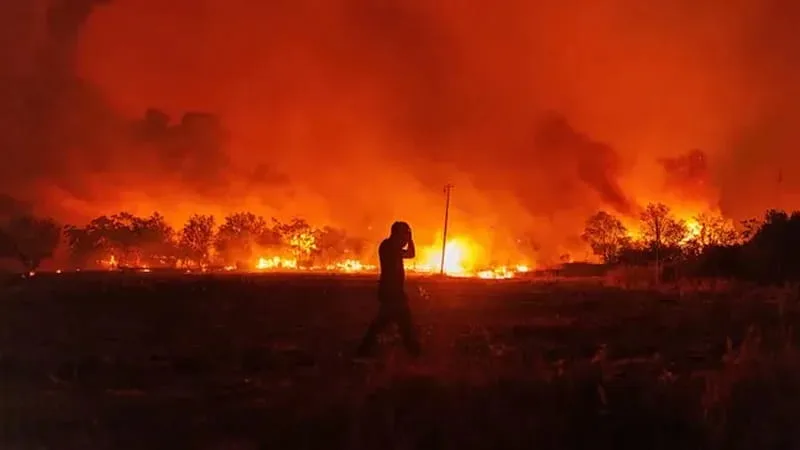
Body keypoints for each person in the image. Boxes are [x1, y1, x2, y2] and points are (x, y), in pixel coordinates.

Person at [356, 221, 421, 358]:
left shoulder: (393, 247)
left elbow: (411, 254)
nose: (405, 238)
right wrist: (408, 239)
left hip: (394, 292)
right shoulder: (388, 246)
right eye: (403, 234)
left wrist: (410, 239)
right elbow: (406, 252)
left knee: (388, 323)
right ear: (396, 234)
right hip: (391, 292)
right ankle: (414, 352)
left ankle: (363, 350)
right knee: (398, 323)